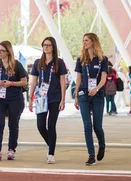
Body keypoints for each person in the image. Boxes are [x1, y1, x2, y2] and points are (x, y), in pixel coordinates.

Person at [28, 37, 67, 164]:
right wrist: (30, 98)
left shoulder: (59, 63)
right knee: (40, 125)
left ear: (53, 47)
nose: (46, 47)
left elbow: (62, 81)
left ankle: (51, 153)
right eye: (44, 45)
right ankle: (51, 144)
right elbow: (34, 81)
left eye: (49, 45)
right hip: (41, 98)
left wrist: (63, 99)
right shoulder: (38, 63)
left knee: (51, 125)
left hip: (55, 97)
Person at [74, 33, 108, 166]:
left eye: (87, 40)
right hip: (84, 95)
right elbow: (79, 78)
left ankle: (102, 145)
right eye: (83, 41)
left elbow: (104, 78)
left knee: (97, 126)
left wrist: (97, 88)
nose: (84, 43)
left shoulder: (102, 59)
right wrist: (76, 95)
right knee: (87, 125)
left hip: (98, 95)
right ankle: (91, 155)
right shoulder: (81, 59)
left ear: (93, 42)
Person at [0, 41, 27, 161]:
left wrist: (11, 83)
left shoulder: (17, 65)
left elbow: (24, 82)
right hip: (0, 98)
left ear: (8, 52)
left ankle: (11, 149)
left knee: (13, 124)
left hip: (14, 98)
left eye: (2, 50)